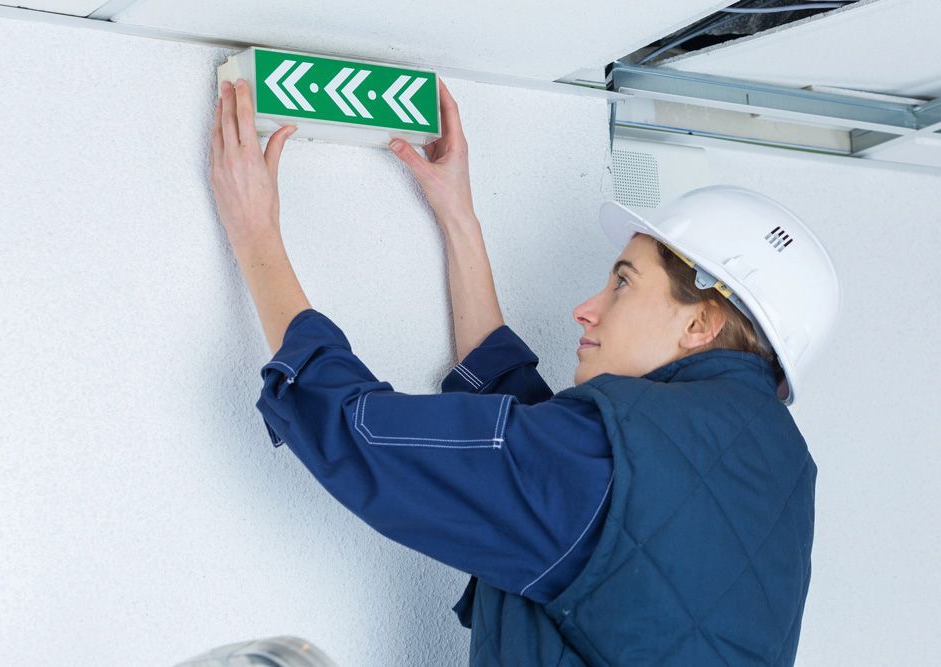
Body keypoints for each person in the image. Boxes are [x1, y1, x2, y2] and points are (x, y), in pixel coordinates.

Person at [209, 75, 840, 666]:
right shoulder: (776, 470)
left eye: (623, 284)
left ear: (699, 324)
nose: (586, 310)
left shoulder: (605, 461)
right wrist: (459, 217)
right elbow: (535, 444)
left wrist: (255, 235)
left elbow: (362, 436)